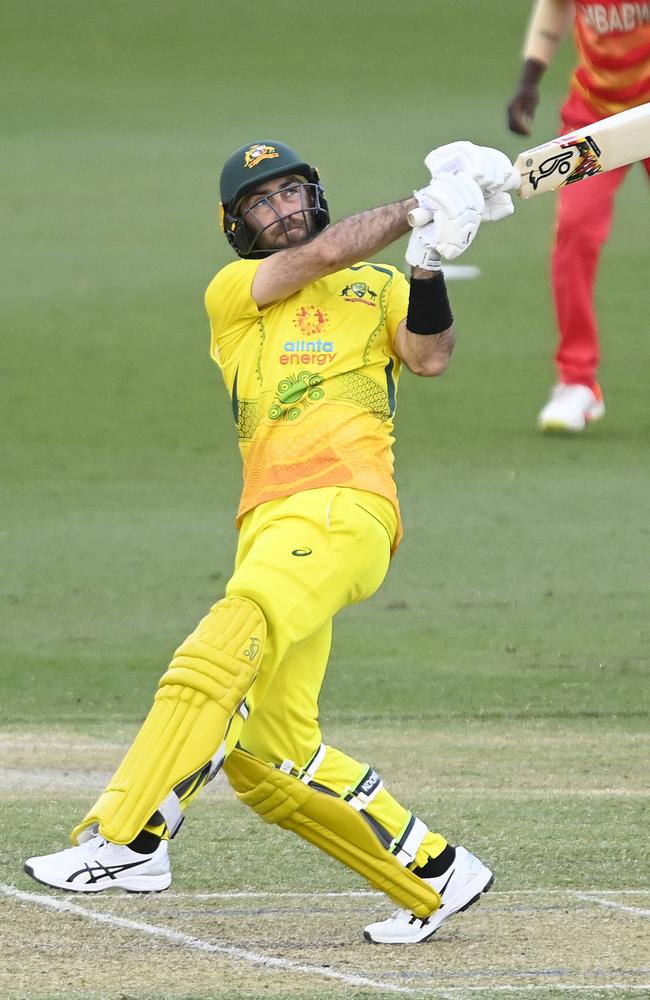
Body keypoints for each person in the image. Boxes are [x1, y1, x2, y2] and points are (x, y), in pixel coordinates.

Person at [24, 138, 514, 943]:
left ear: (314, 194)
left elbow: (430, 358)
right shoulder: (235, 294)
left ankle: (128, 837)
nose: (281, 210)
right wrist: (419, 210)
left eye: (291, 193)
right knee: (266, 755)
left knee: (218, 650)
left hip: (343, 505)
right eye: (261, 203)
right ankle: (431, 870)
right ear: (237, 226)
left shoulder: (380, 283)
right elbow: (322, 255)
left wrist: (425, 262)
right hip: (270, 522)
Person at [508, 0, 650, 432]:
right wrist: (530, 80)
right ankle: (577, 382)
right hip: (595, 115)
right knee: (574, 232)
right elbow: (554, 8)